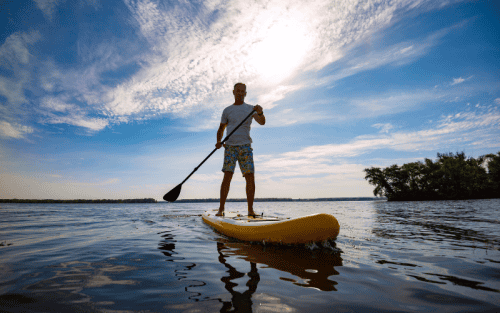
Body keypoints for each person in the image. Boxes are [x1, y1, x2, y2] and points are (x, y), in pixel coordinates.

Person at [215, 83, 265, 217]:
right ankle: (221, 209)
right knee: (227, 176)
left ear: (246, 93)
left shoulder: (251, 109)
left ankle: (250, 210)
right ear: (233, 92)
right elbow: (221, 129)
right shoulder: (227, 110)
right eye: (238, 91)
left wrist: (260, 112)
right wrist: (219, 141)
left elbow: (262, 122)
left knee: (250, 177)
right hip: (230, 147)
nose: (240, 93)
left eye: (243, 91)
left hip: (245, 146)